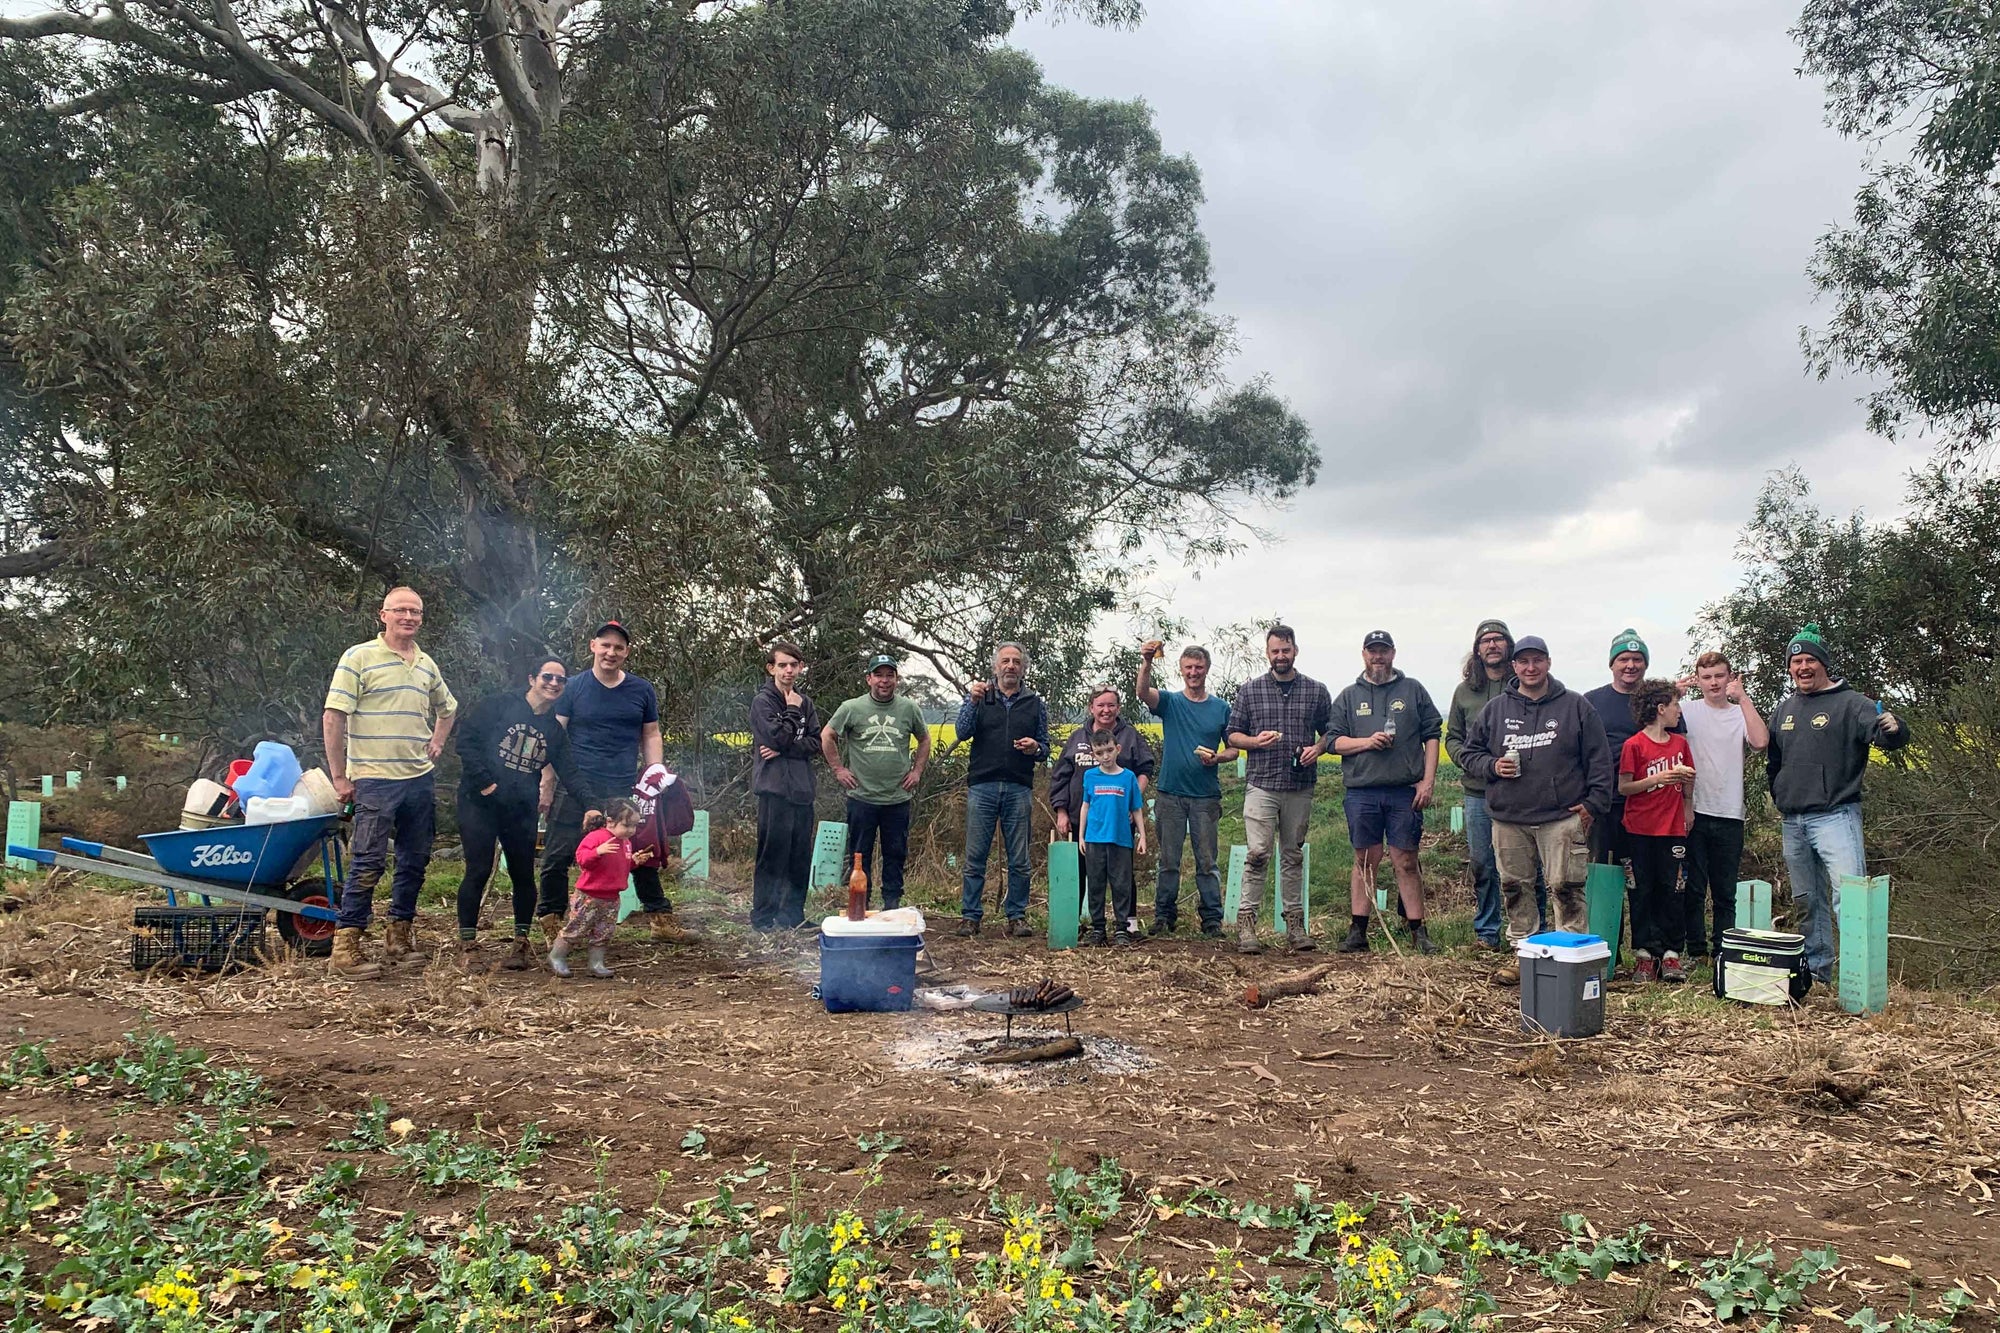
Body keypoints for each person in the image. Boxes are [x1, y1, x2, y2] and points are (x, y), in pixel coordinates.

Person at [1456, 636, 1614, 985]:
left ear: (1548, 663)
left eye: (1537, 661)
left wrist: (1592, 806)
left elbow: (1600, 760)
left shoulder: (1575, 706)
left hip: (1561, 816)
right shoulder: (1496, 709)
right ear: (1514, 666)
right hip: (1509, 818)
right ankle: (1523, 955)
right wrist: (1493, 766)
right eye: (1523, 662)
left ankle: (1569, 958)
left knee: (1567, 887)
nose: (1531, 668)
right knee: (1515, 888)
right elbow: (1468, 754)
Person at [322, 586, 458, 979]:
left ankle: (399, 936)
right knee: (367, 860)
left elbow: (448, 708)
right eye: (400, 610)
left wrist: (437, 741)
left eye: (415, 611)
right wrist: (339, 776)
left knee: (415, 861)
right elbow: (334, 717)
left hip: (419, 779)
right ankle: (346, 947)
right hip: (374, 780)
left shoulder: (427, 664)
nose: (409, 617)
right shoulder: (359, 657)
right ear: (383, 615)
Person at [1766, 623, 1908, 983]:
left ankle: (1860, 978)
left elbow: (1887, 736)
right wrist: (1781, 793)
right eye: (1795, 661)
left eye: (1810, 659)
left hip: (1836, 817)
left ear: (1824, 663)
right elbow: (1774, 764)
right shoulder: (1783, 710)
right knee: (1807, 902)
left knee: (1851, 900)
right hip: (1792, 821)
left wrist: (1895, 727)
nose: (1803, 667)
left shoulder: (1852, 704)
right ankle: (1817, 972)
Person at [536, 621, 691, 944]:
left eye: (618, 647)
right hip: (574, 786)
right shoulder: (574, 687)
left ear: (627, 653)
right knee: (558, 855)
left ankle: (660, 919)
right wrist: (547, 782)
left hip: (621, 786)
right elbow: (555, 735)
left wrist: (654, 775)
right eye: (605, 645)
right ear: (593, 646)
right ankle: (553, 923)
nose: (611, 652)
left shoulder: (641, 690)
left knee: (636, 850)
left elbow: (651, 733)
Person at [453, 658, 590, 972]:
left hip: (521, 808)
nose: (554, 683)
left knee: (523, 875)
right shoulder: (498, 706)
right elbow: (466, 742)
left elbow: (570, 771)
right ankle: (468, 944)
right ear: (532, 678)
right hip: (480, 803)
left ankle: (520, 944)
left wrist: (591, 803)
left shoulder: (553, 730)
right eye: (547, 677)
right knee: (477, 869)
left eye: (560, 680)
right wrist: (486, 784)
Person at [1327, 631, 1443, 955]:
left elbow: (1433, 734)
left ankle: (1418, 931)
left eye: (1383, 651)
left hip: (1404, 791)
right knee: (1365, 859)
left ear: (1393, 653)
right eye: (1372, 651)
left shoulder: (1413, 690)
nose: (1378, 657)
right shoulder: (1349, 696)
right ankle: (1358, 931)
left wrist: (1428, 781)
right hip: (1362, 790)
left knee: (1405, 860)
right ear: (1363, 654)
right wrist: (1367, 742)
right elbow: (1334, 742)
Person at [1225, 623, 1334, 955]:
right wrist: (1254, 742)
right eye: (1275, 651)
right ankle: (1246, 925)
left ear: (1295, 651)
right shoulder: (1250, 690)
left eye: (1286, 650)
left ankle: (1296, 927)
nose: (1281, 656)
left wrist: (1319, 748)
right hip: (1261, 783)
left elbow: (1331, 731)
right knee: (1257, 854)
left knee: (1293, 855)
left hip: (1299, 785)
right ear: (1267, 653)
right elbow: (1232, 735)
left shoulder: (1316, 691)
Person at [1136, 641, 1236, 937]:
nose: (1193, 673)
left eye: (1199, 668)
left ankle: (1212, 920)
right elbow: (1143, 693)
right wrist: (1146, 661)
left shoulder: (1221, 708)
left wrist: (1217, 758)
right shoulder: (1170, 702)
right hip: (1170, 794)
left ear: (1207, 670)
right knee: (1168, 861)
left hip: (1205, 796)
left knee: (1207, 862)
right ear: (1181, 670)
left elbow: (1233, 749)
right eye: (1188, 668)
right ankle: (1164, 916)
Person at [1676, 651, 1768, 959]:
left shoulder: (1739, 712)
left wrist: (1743, 699)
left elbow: (1759, 741)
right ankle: (1696, 951)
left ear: (1729, 677)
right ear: (1698, 680)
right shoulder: (1687, 711)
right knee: (1693, 888)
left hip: (1730, 811)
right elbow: (1655, 728)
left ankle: (1724, 952)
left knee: (1726, 892)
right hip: (1695, 810)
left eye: (1719, 676)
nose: (1714, 683)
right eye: (1707, 677)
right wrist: (1673, 694)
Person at [821, 654, 931, 911]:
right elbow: (827, 735)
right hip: (862, 797)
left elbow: (924, 739)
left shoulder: (909, 708)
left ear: (896, 679)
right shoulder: (851, 708)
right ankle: (861, 905)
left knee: (895, 855)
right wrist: (838, 769)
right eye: (879, 675)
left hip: (897, 797)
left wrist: (917, 771)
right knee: (860, 857)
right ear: (869, 678)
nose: (884, 681)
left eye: (889, 675)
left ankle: (892, 906)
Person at [954, 643, 1049, 937]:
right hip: (982, 786)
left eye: (1016, 662)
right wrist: (971, 701)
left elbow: (1044, 748)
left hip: (1018, 788)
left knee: (1019, 858)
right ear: (996, 667)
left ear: (1024, 669)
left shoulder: (1035, 704)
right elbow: (962, 731)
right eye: (1005, 661)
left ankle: (1016, 916)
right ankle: (971, 917)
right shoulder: (981, 697)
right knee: (975, 857)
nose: (1010, 666)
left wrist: (1035, 748)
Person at [1049, 684, 1156, 933]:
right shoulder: (1077, 737)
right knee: (1082, 873)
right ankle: (1074, 924)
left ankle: (1127, 926)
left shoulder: (1129, 736)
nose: (1106, 710)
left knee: (1122, 874)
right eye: (1100, 705)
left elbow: (1145, 770)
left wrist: (1132, 800)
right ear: (1091, 708)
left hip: (1119, 819)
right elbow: (1061, 776)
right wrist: (1061, 812)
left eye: (1111, 705)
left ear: (1118, 708)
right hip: (1083, 821)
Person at [1616, 680, 1696, 984]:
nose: (1679, 711)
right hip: (1638, 830)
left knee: (1673, 890)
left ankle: (1672, 954)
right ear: (1661, 709)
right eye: (1675, 705)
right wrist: (1658, 778)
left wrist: (1688, 807)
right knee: (1641, 891)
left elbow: (1689, 778)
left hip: (1673, 829)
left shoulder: (1680, 744)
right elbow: (1624, 787)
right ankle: (1644, 955)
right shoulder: (1634, 745)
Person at [1446, 619, 1517, 950]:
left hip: (1522, 793)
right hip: (1478, 792)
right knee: (1483, 863)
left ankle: (1531, 931)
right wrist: (1471, 761)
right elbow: (1453, 739)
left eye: (1498, 639)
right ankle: (1487, 932)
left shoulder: (1524, 684)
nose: (1492, 645)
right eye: (1486, 640)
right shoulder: (1464, 692)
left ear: (1508, 646)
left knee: (1526, 864)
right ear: (1477, 649)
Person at [750, 641, 822, 932]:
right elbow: (775, 737)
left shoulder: (806, 702)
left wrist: (784, 747)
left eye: (794, 665)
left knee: (799, 856)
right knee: (772, 855)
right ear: (772, 668)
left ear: (801, 667)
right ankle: (764, 917)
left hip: (802, 790)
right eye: (783, 665)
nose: (789, 670)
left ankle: (792, 915)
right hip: (774, 789)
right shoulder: (763, 702)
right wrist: (791, 714)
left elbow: (816, 742)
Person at [550, 799, 654, 979]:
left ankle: (596, 963)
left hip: (612, 898)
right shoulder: (596, 837)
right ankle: (556, 956)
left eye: (635, 826)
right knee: (576, 929)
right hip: (589, 896)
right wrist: (597, 852)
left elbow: (620, 865)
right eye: (627, 825)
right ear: (610, 821)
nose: (631, 830)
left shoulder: (626, 842)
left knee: (604, 932)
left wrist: (634, 862)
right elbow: (582, 859)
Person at [1078, 730, 1148, 946]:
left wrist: (1142, 836)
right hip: (1094, 839)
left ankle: (1121, 928)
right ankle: (1098, 928)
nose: (1106, 756)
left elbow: (1136, 808)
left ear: (1117, 749)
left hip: (1121, 839)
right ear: (1094, 754)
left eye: (1109, 750)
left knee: (1121, 884)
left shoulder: (1127, 777)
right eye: (1100, 753)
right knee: (1096, 883)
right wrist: (1081, 835)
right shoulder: (1090, 776)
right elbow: (1085, 806)